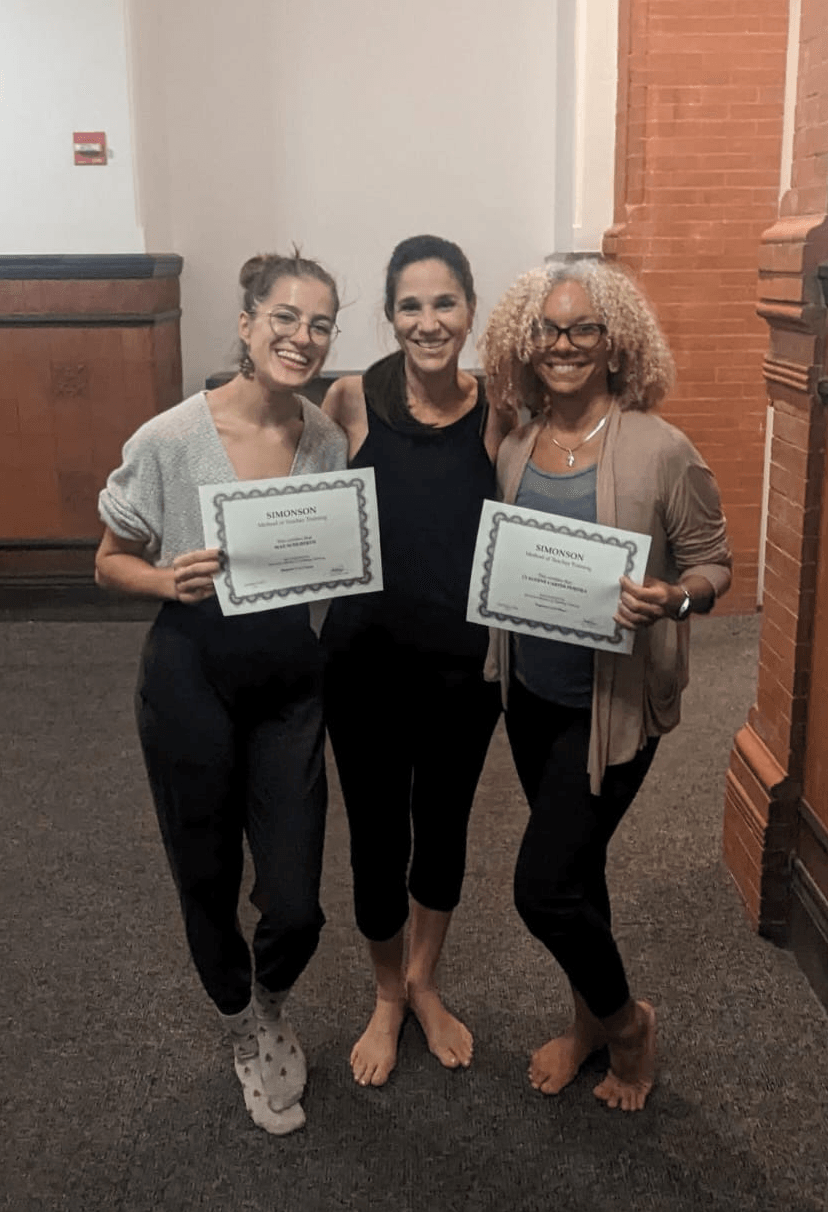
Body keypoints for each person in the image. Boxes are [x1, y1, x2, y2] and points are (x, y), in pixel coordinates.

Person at [95, 251, 348, 1135]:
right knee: (205, 875)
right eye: (285, 317)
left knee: (298, 901)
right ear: (246, 324)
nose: (303, 337)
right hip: (189, 679)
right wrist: (167, 580)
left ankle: (270, 995)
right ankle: (242, 1019)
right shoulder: (169, 440)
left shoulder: (327, 441)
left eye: (321, 324)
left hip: (288, 686)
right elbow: (108, 562)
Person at [478, 255, 731, 1112]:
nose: (564, 344)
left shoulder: (662, 450)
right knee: (579, 873)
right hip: (531, 698)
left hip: (613, 712)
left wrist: (674, 598)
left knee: (542, 888)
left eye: (583, 328)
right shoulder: (517, 447)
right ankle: (586, 1021)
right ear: (529, 343)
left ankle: (626, 1026)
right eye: (548, 329)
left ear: (615, 343)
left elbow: (714, 563)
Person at [322, 235, 512, 1087]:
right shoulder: (351, 398)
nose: (428, 322)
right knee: (374, 838)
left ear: (469, 311)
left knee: (442, 829)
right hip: (362, 668)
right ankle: (385, 994)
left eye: (444, 303)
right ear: (389, 315)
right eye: (410, 305)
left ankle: (424, 981)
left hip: (462, 673)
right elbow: (293, 496)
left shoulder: (501, 410)